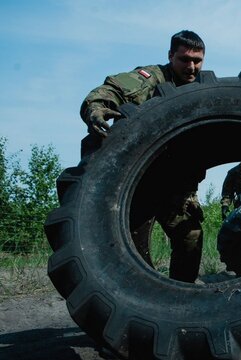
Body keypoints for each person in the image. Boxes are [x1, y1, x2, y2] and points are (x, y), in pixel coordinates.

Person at [80, 30, 206, 283]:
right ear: (171, 56)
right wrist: (98, 109)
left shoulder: (204, 87)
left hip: (176, 185)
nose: (191, 67)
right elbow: (108, 92)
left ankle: (183, 293)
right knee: (131, 248)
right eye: (184, 59)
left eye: (197, 60)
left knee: (190, 236)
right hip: (139, 181)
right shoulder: (150, 79)